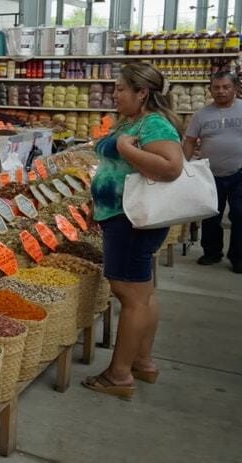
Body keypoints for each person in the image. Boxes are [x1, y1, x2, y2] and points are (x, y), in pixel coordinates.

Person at [82, 63, 184, 399]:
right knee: (144, 294)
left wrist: (125, 148)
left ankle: (119, 375)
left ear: (142, 93)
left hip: (131, 222)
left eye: (121, 89)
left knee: (131, 297)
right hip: (126, 218)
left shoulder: (153, 124)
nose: (115, 95)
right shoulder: (134, 121)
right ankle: (142, 361)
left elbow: (171, 167)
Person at [183, 71, 242, 273]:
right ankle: (211, 253)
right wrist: (184, 165)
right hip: (209, 173)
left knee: (240, 215)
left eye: (226, 87)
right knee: (210, 214)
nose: (221, 91)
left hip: (240, 173)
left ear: (235, 88)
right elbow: (190, 141)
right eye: (216, 87)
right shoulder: (201, 115)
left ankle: (238, 257)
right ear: (210, 90)